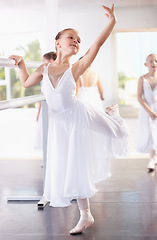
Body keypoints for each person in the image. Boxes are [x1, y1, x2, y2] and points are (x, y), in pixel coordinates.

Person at [9, 4, 129, 235]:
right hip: (59, 124)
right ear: (58, 42)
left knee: (117, 132)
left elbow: (97, 44)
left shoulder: (75, 68)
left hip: (78, 115)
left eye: (78, 39)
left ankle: (114, 115)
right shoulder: (44, 68)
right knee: (71, 166)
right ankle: (86, 215)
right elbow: (25, 83)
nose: (76, 41)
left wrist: (112, 21)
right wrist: (22, 62)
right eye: (71, 37)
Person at [137, 53, 157, 171]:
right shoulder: (142, 79)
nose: (154, 63)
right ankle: (152, 158)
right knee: (150, 133)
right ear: (146, 64)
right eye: (151, 61)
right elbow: (139, 97)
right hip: (147, 110)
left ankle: (154, 157)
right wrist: (150, 111)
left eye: (156, 61)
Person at [34, 52, 57, 151]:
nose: (42, 64)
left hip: (51, 108)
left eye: (43, 61)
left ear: (50, 61)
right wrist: (39, 113)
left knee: (50, 131)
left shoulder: (48, 74)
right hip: (47, 106)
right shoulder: (45, 75)